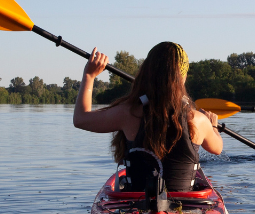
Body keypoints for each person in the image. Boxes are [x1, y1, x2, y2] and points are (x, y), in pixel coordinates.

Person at [73, 42, 223, 192]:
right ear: (183, 77)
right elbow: (217, 148)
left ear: (147, 72)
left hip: (137, 206)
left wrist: (89, 75)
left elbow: (81, 119)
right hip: (186, 207)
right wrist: (213, 126)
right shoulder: (198, 120)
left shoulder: (128, 113)